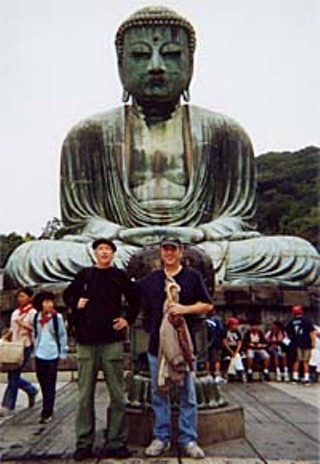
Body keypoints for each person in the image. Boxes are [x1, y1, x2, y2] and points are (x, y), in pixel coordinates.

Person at [5, 6, 319, 289]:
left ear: (191, 62)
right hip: (120, 248)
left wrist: (198, 235)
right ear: (120, 63)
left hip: (204, 247)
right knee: (30, 258)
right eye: (141, 56)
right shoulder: (88, 135)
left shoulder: (226, 132)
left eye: (170, 54)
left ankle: (165, 268)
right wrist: (122, 235)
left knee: (299, 255)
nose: (156, 66)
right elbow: (82, 220)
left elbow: (238, 218)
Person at [63, 238, 140, 461]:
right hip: (86, 342)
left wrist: (128, 320)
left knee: (117, 394)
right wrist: (76, 302)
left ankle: (117, 441)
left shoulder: (119, 276)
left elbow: (136, 298)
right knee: (84, 395)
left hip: (111, 341)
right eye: (100, 249)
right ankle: (84, 442)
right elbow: (69, 295)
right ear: (95, 253)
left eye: (108, 249)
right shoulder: (84, 275)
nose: (104, 252)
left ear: (114, 254)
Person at [138, 237, 213, 459]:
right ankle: (161, 437)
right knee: (159, 392)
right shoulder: (152, 279)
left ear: (181, 252)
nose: (169, 253)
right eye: (165, 249)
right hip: (156, 347)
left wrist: (184, 309)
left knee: (187, 394)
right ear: (160, 253)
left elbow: (207, 305)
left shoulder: (192, 277)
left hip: (184, 346)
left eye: (174, 249)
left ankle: (188, 438)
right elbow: (129, 291)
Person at [0, 287, 38, 417]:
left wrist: (24, 325)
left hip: (26, 345)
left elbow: (36, 329)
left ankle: (7, 404)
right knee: (13, 374)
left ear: (30, 297)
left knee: (14, 374)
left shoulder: (33, 313)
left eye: (23, 296)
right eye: (19, 297)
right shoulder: (15, 312)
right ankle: (31, 389)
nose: (20, 299)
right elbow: (12, 328)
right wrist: (6, 336)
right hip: (15, 346)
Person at [33, 291, 68, 424]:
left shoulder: (56, 317)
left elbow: (62, 335)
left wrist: (63, 352)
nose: (48, 304)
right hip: (39, 352)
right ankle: (46, 405)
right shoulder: (37, 316)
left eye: (50, 302)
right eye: (46, 302)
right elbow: (35, 333)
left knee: (50, 383)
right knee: (42, 381)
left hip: (52, 353)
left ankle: (47, 410)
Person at [285, 306, 316, 385]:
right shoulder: (306, 321)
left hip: (296, 343)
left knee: (297, 360)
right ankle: (306, 378)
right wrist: (313, 342)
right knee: (305, 361)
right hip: (306, 343)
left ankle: (295, 378)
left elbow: (288, 332)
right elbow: (311, 332)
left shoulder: (291, 321)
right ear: (301, 311)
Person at [223, 317, 246, 382]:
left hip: (236, 350)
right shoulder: (225, 332)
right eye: (235, 324)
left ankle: (230, 373)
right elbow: (225, 342)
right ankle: (240, 371)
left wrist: (236, 351)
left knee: (236, 356)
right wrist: (230, 351)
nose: (236, 326)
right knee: (234, 357)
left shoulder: (237, 332)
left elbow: (239, 343)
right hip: (227, 350)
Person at [205, 310, 226, 384]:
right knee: (217, 359)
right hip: (216, 342)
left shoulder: (205, 320)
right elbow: (222, 330)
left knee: (207, 359)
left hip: (205, 342)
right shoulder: (218, 319)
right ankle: (217, 375)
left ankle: (207, 374)